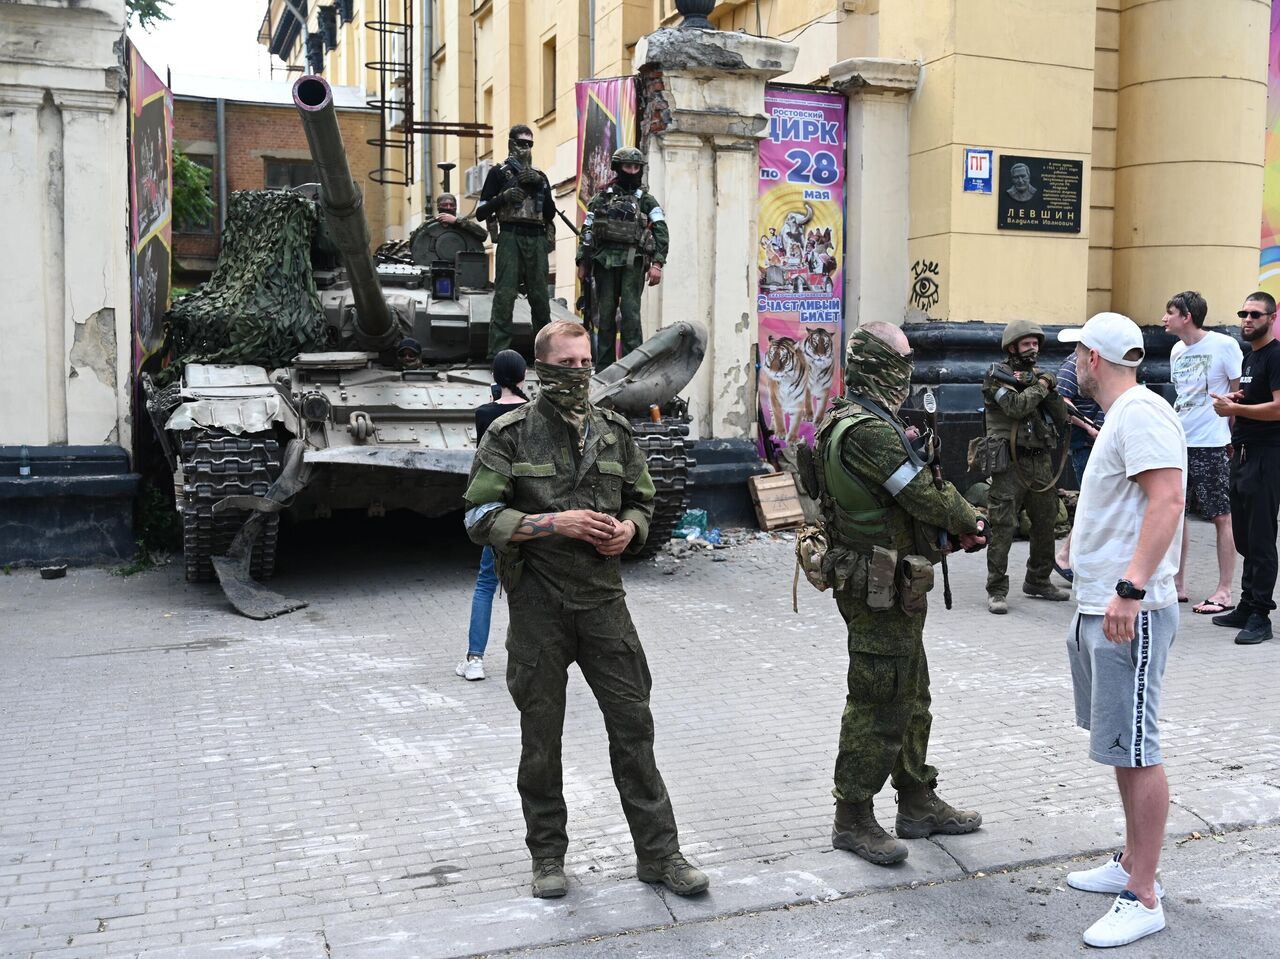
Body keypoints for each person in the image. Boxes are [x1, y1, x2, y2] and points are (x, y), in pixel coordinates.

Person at [462, 319, 708, 900]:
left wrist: (629, 530)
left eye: (585, 363)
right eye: (566, 364)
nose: (578, 373)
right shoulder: (510, 434)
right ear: (541, 370)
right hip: (538, 607)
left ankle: (661, 855)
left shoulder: (615, 432)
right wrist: (553, 522)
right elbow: (476, 519)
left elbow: (644, 503)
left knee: (634, 730)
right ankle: (547, 856)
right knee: (541, 740)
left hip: (603, 606)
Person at [807, 322, 987, 866]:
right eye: (904, 358)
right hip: (875, 586)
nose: (910, 369)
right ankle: (853, 818)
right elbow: (923, 494)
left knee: (912, 693)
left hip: (894, 584)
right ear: (881, 363)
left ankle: (917, 801)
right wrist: (971, 519)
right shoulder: (867, 431)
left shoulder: (855, 417)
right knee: (876, 699)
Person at [1056, 312, 1185, 949]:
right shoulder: (1125, 414)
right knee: (1118, 742)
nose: (1073, 363)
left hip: (1128, 611)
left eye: (1077, 353)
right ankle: (1132, 864)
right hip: (1100, 604)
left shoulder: (1141, 412)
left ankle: (1145, 894)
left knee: (1138, 746)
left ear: (1093, 358)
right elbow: (1128, 502)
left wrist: (1131, 589)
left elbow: (1168, 500)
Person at [982, 320, 1071, 614]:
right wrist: (1042, 385)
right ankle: (996, 589)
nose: (1033, 349)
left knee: (1046, 520)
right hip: (1009, 463)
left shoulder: (1037, 379)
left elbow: (1060, 417)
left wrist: (1051, 390)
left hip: (1039, 462)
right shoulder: (995, 378)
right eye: (1026, 344)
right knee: (1003, 525)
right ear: (1012, 347)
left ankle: (1038, 579)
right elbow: (1017, 407)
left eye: (1036, 344)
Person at [1209, 291, 1280, 645]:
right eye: (1243, 313)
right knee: (1245, 537)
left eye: (1255, 314)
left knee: (1262, 538)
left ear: (1271, 317)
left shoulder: (1277, 355)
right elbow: (1260, 398)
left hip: (1268, 456)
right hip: (1243, 454)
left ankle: (1260, 615)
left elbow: (1279, 408)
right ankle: (1247, 602)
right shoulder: (1251, 359)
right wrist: (1238, 399)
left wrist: (1235, 411)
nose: (1247, 319)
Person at [1164, 290, 1241, 614]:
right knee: (1175, 514)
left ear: (1187, 316)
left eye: (1170, 312)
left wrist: (1232, 438)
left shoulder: (1224, 346)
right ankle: (1177, 584)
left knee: (1221, 515)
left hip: (1212, 443)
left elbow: (1239, 395)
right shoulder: (1176, 350)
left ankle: (1224, 590)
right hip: (1179, 442)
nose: (1164, 319)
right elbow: (1183, 396)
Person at [456, 350, 529, 681]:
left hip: (496, 509)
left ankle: (474, 660)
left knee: (486, 583)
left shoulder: (484, 412)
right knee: (529, 585)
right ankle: (532, 658)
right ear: (524, 375)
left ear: (495, 378)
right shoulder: (534, 412)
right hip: (529, 509)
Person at [577, 148, 669, 366]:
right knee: (605, 318)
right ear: (618, 168)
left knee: (631, 317)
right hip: (604, 263)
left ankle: (632, 369)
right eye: (628, 166)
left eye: (636, 167)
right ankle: (604, 370)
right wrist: (582, 261)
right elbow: (587, 230)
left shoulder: (647, 200)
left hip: (632, 262)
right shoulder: (601, 198)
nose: (633, 171)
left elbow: (661, 230)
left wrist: (657, 263)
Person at [476, 125, 556, 358]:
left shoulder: (541, 176)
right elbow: (481, 212)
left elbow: (549, 213)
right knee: (504, 296)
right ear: (511, 143)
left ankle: (546, 354)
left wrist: (540, 185)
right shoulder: (498, 173)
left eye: (530, 143)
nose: (526, 148)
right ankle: (498, 354)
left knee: (541, 298)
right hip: (510, 236)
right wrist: (504, 197)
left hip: (537, 237)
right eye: (521, 143)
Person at [1053, 349, 1104, 582]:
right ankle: (1065, 556)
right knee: (1093, 503)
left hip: (1103, 441)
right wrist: (1089, 426)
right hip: (1086, 443)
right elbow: (1062, 400)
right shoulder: (1072, 365)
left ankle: (1072, 557)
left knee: (1098, 503)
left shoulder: (1104, 362)